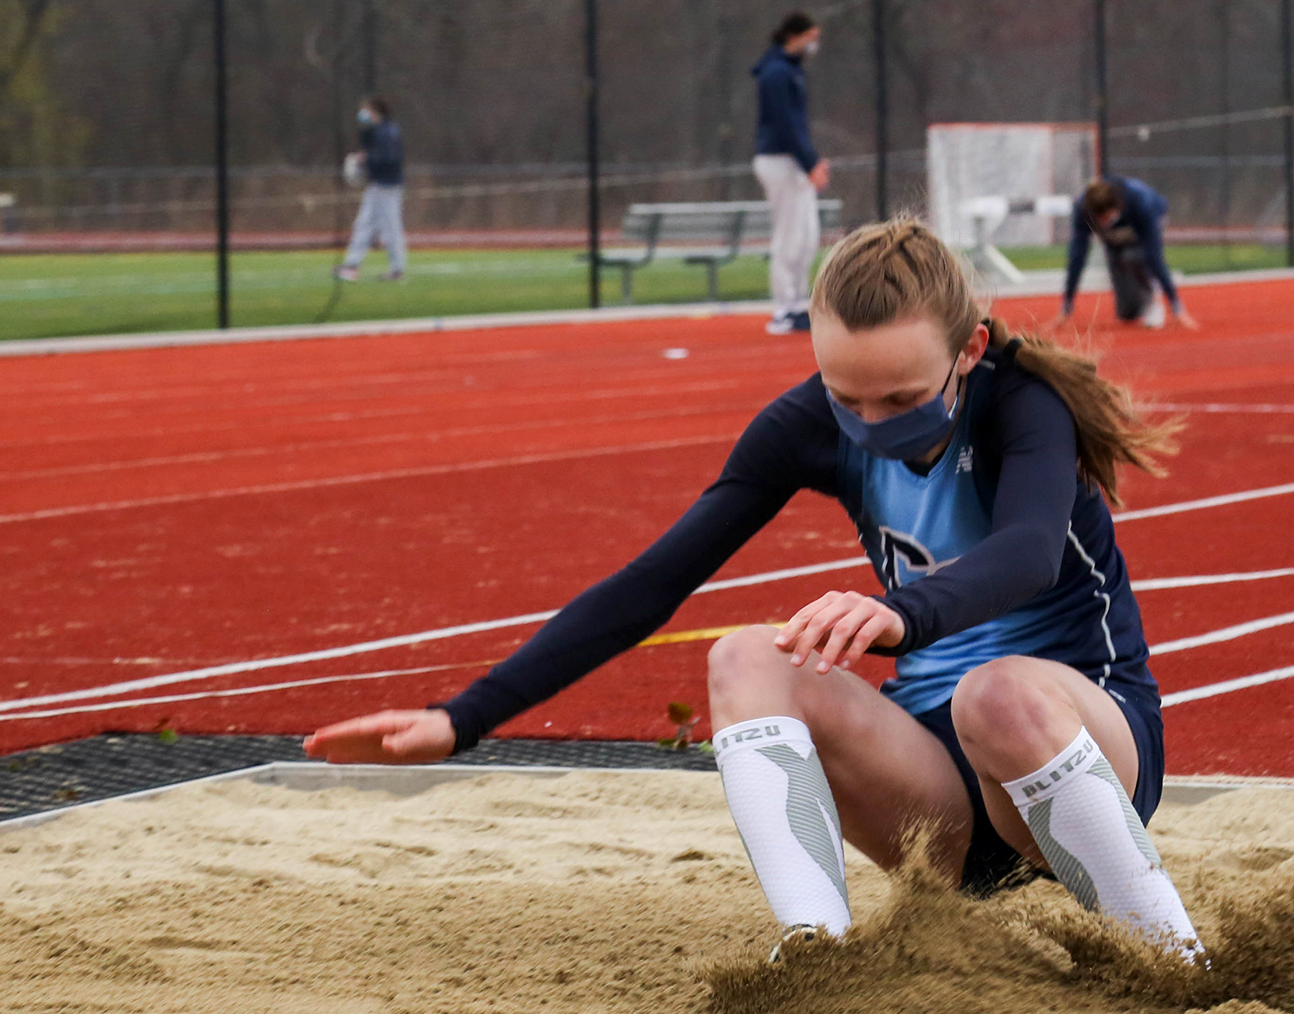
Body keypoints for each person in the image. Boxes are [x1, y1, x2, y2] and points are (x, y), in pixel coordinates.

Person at [304, 218, 1203, 962]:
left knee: (995, 690)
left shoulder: (1022, 407)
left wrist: (900, 614)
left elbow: (1029, 553)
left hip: (1085, 760)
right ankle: (819, 952)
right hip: (942, 810)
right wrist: (461, 719)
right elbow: (654, 583)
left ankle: (1169, 957)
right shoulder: (806, 424)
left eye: (900, 398)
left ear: (969, 351)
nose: (871, 425)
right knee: (744, 653)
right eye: (848, 398)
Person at [753, 12, 830, 336]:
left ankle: (799, 303)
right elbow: (786, 126)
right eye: (811, 37)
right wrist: (810, 162)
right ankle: (784, 307)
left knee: (807, 236)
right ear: (794, 36)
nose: (814, 44)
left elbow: (798, 126)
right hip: (779, 160)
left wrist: (810, 161)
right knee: (789, 236)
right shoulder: (776, 74)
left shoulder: (792, 72)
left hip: (795, 163)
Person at [1052, 177, 1199, 331]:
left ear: (1117, 207)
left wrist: (1177, 308)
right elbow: (1077, 256)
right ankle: (1135, 300)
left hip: (1145, 221)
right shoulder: (1082, 209)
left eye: (1107, 217)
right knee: (1127, 313)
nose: (1104, 223)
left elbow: (1154, 256)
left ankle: (1152, 301)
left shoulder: (1141, 202)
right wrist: (1066, 307)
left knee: (1134, 255)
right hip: (1118, 234)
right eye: (1099, 219)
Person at [335, 97, 406, 283]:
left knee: (389, 228)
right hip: (378, 184)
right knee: (364, 225)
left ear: (375, 111)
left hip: (386, 185)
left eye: (366, 111)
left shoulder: (387, 132)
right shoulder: (379, 131)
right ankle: (352, 265)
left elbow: (389, 159)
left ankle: (397, 269)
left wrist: (366, 160)